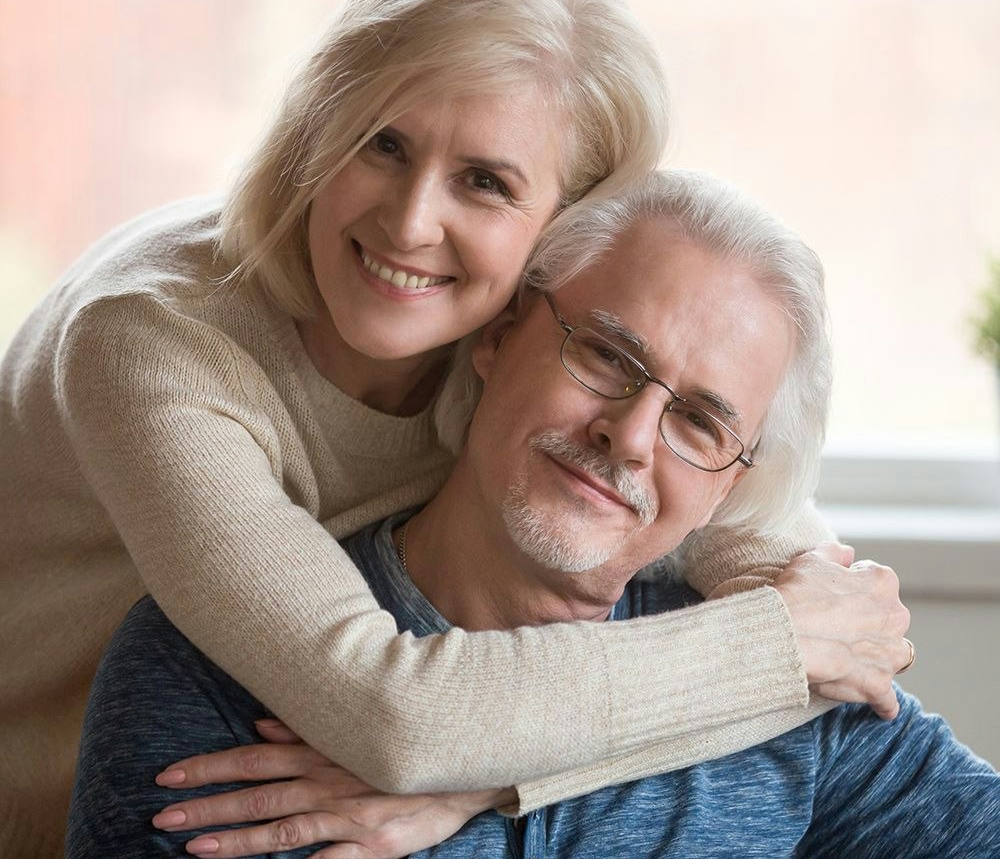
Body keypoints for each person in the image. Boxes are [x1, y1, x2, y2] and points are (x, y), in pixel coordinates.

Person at [0, 0, 906, 859]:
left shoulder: (534, 354)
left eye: (484, 181)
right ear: (321, 125)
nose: (410, 221)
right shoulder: (151, 345)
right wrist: (770, 651)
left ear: (568, 220)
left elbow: (820, 619)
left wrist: (497, 784)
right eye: (382, 144)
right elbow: (398, 718)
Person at [67, 172, 964, 859]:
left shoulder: (805, 696)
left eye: (700, 422)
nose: (632, 438)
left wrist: (494, 781)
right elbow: (403, 715)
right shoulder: (213, 683)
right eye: (608, 357)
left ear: (730, 483)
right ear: (495, 336)